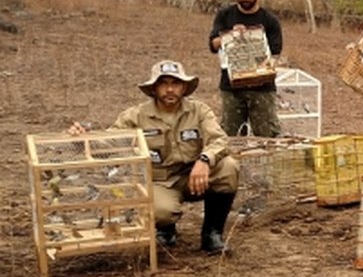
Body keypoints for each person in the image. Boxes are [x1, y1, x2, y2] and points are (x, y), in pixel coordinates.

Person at [68, 60, 239, 254]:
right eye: (163, 84)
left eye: (175, 84)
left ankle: (212, 234)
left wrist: (205, 160)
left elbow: (220, 140)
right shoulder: (136, 116)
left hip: (194, 175)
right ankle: (165, 230)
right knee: (161, 212)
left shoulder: (199, 111)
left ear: (183, 87)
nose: (169, 90)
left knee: (228, 167)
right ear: (154, 89)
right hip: (160, 182)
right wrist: (83, 138)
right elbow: (110, 142)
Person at [208, 0, 283, 137]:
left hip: (262, 88)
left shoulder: (270, 20)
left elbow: (276, 52)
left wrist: (253, 40)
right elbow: (213, 44)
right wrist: (230, 37)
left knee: (268, 136)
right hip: (231, 87)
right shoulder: (225, 15)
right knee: (229, 136)